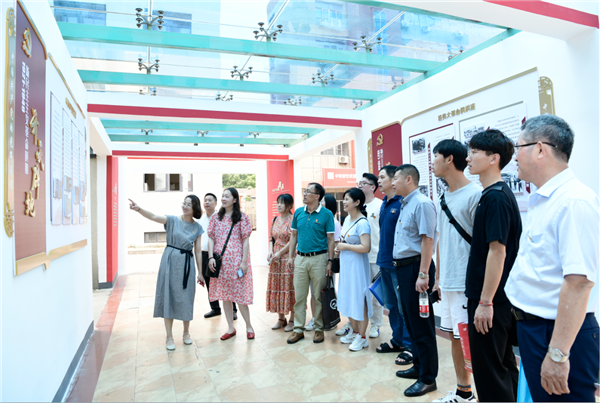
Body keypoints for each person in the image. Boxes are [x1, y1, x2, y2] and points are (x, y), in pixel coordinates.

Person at [506, 115, 599, 402]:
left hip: (558, 334)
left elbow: (579, 282)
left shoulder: (574, 201)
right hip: (536, 329)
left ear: (539, 149)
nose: (514, 157)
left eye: (518, 147)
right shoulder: (545, 199)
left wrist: (558, 354)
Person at [465, 129, 521, 402]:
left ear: (493, 158)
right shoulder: (494, 194)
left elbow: (497, 252)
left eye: (474, 152)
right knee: (502, 366)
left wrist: (485, 302)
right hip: (495, 299)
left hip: (491, 301)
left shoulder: (496, 198)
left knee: (490, 373)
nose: (468, 158)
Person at [431, 140, 481, 403]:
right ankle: (464, 392)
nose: (432, 162)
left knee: (469, 340)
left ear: (449, 159)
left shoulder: (475, 195)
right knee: (453, 336)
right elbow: (441, 240)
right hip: (448, 282)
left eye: (435, 156)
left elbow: (484, 246)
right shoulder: (443, 197)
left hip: (466, 283)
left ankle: (484, 393)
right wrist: (438, 278)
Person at [128, 195, 204, 351]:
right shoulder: (172, 220)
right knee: (168, 296)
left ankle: (186, 332)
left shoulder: (197, 228)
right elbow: (153, 216)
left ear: (195, 208)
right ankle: (169, 336)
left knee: (186, 298)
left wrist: (200, 272)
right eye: (184, 203)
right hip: (170, 262)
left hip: (187, 265)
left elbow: (197, 251)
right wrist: (139, 209)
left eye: (189, 204)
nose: (185, 206)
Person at [392, 164, 439, 397]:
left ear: (409, 179)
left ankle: (428, 378)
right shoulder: (406, 203)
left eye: (396, 178)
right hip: (405, 269)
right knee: (412, 323)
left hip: (416, 269)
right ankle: (419, 367)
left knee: (422, 326)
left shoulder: (422, 203)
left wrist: (423, 274)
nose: (393, 183)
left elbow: (427, 240)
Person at [287, 183, 335, 344]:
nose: (305, 194)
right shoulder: (299, 212)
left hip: (319, 259)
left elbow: (331, 240)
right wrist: (290, 257)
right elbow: (294, 235)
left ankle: (319, 329)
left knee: (319, 296)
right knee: (299, 296)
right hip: (300, 258)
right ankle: (298, 330)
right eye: (305, 191)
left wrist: (330, 261)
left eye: (308, 191)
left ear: (317, 196)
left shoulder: (327, 214)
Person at [374, 165, 413, 366]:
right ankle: (397, 340)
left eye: (382, 177)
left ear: (393, 180)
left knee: (404, 306)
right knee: (391, 306)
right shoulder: (384, 202)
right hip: (384, 262)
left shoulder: (402, 202)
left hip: (398, 263)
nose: (379, 181)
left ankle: (409, 345)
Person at [207, 188, 255, 340]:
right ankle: (230, 328)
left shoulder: (242, 217)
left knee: (240, 296)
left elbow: (246, 240)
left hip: (236, 263)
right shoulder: (216, 218)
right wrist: (210, 257)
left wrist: (244, 262)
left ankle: (249, 326)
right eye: (222, 196)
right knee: (225, 296)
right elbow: (211, 238)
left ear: (235, 200)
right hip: (220, 264)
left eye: (227, 196)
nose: (223, 198)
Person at [335, 188, 372, 351]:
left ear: (357, 202)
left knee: (359, 298)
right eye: (344, 199)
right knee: (348, 296)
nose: (344, 202)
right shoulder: (347, 220)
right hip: (346, 265)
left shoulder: (363, 222)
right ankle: (355, 331)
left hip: (357, 267)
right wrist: (341, 248)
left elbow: (366, 247)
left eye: (347, 199)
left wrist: (346, 246)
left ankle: (362, 337)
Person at [302, 194, 342, 332]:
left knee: (327, 291)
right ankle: (315, 318)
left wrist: (331, 263)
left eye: (323, 201)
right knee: (314, 292)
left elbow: (335, 244)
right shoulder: (315, 218)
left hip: (326, 260)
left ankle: (330, 318)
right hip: (314, 259)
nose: (320, 202)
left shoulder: (334, 223)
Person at [200, 193, 237, 320]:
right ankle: (215, 308)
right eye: (205, 200)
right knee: (209, 282)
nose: (207, 202)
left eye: (210, 200)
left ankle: (233, 309)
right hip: (204, 254)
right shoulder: (200, 218)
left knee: (227, 282)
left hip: (219, 255)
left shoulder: (221, 217)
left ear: (216, 203)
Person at [359, 173, 384, 338]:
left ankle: (376, 324)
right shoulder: (357, 205)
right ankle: (355, 324)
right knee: (359, 293)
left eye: (364, 183)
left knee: (375, 293)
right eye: (359, 183)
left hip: (375, 256)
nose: (360, 185)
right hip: (358, 257)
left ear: (373, 187)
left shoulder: (380, 205)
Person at [267, 193, 295, 332]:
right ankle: (281, 318)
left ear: (289, 206)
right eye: (277, 202)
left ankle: (293, 319)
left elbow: (293, 240)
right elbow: (271, 238)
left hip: (288, 257)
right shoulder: (275, 219)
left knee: (289, 287)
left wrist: (280, 253)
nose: (278, 205)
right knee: (277, 286)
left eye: (282, 203)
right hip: (276, 259)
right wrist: (270, 251)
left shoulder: (293, 220)